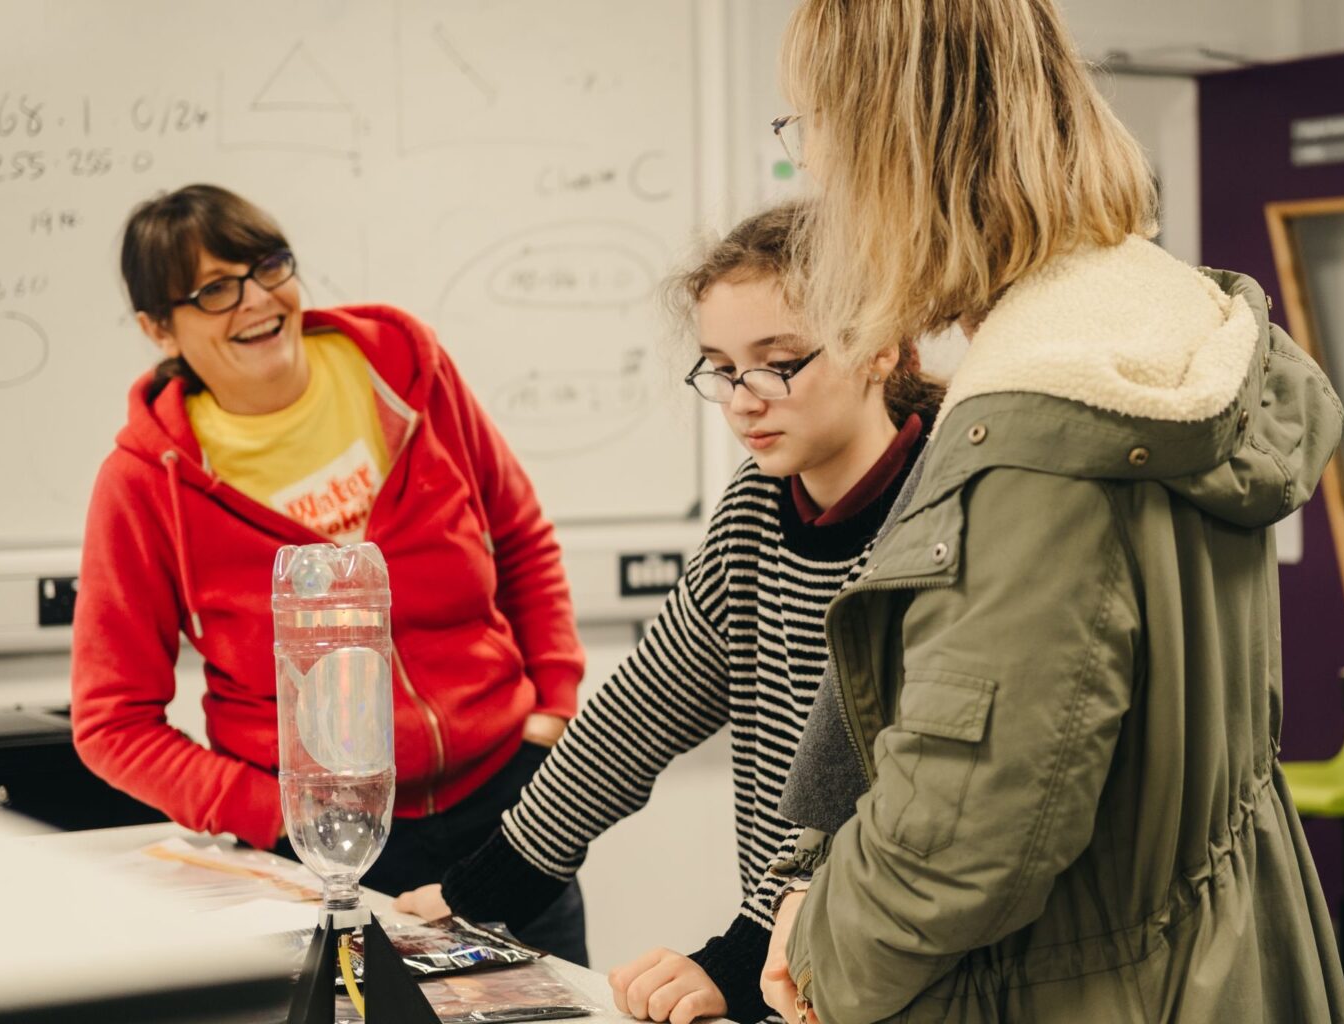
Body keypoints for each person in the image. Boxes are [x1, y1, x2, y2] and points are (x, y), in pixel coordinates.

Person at [758, 2, 1344, 1022]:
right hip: (1223, 959)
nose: (805, 164)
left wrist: (818, 953)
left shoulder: (1038, 426)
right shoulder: (1160, 325)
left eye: (807, 123)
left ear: (888, 142)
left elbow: (965, 833)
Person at [395, 201, 947, 1024]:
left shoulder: (941, 517)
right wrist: (493, 882)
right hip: (793, 969)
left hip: (907, 969)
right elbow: (643, 708)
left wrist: (745, 947)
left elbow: (893, 792)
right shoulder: (757, 504)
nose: (742, 400)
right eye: (720, 367)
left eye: (779, 361)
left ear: (881, 347)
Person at [71, 183, 589, 963]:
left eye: (268, 265)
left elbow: (519, 537)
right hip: (327, 858)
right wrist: (275, 811)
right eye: (215, 290)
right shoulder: (150, 480)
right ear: (158, 328)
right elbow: (112, 722)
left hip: (510, 807)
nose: (257, 301)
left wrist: (550, 714)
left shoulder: (402, 367)